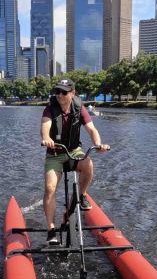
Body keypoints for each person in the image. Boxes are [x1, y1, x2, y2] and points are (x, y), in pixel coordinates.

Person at [41, 78, 109, 245]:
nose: (60, 95)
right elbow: (45, 127)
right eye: (57, 91)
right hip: (55, 154)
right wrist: (46, 138)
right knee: (50, 188)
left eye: (64, 92)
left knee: (88, 164)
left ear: (73, 93)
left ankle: (79, 197)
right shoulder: (50, 109)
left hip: (73, 151)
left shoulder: (79, 108)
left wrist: (98, 144)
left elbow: (92, 129)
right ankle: (51, 229)